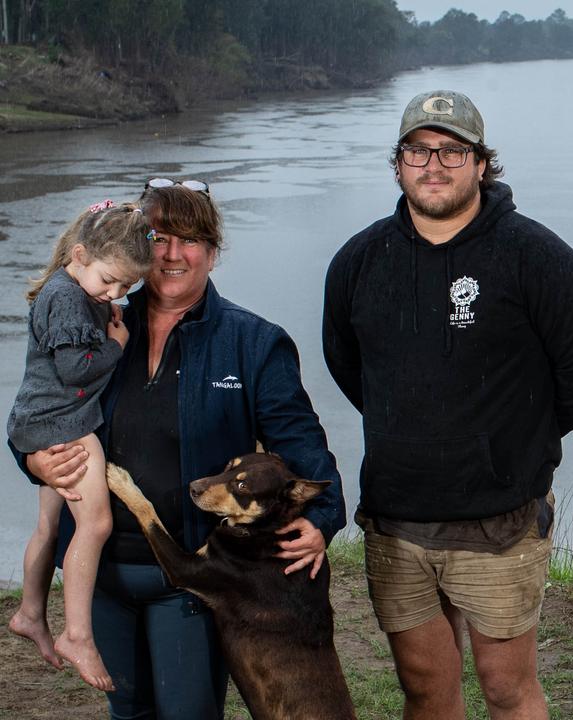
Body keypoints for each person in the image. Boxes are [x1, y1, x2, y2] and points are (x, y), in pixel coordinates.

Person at [322, 90, 573, 720]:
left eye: (452, 151)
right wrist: (412, 425)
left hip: (500, 520)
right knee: (426, 687)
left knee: (507, 688)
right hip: (397, 519)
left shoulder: (535, 255)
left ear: (482, 163)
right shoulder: (358, 260)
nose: (434, 164)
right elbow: (350, 367)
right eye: (418, 150)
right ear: (398, 163)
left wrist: (511, 437)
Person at [13, 179, 347, 720]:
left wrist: (324, 519)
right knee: (129, 714)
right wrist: (30, 460)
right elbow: (38, 403)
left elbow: (301, 447)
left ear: (213, 252)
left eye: (189, 240)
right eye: (159, 237)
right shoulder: (95, 318)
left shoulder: (254, 342)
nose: (171, 254)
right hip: (100, 572)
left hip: (191, 580)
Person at [7, 200, 153, 691]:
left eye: (126, 287)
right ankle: (78, 634)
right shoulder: (69, 298)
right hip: (62, 423)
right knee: (96, 523)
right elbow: (74, 371)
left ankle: (30, 612)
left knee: (49, 526)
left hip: (34, 419)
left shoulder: (68, 286)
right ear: (80, 253)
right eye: (109, 279)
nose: (114, 293)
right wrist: (116, 344)